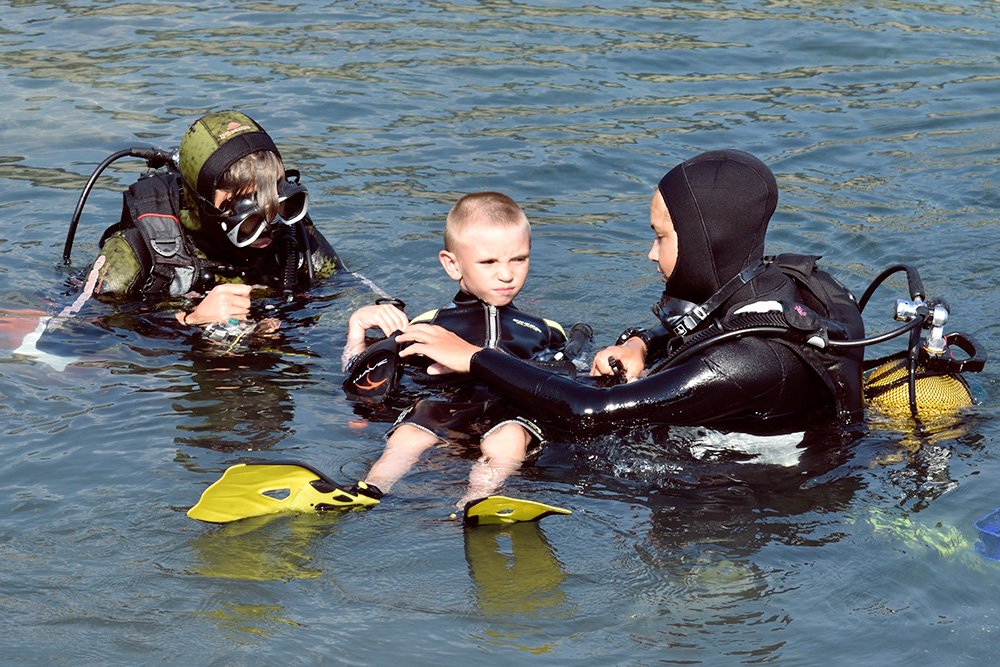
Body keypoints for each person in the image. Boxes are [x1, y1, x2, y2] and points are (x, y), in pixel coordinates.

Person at [395, 150, 867, 437]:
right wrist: (641, 343)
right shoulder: (775, 282)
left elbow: (590, 412)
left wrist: (473, 357)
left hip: (737, 516)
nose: (650, 254)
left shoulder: (751, 362)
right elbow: (711, 324)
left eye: (660, 237)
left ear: (707, 242)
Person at [341, 192, 574, 510]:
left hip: (510, 408)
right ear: (453, 265)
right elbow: (365, 375)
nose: (506, 274)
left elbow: (570, 377)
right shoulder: (429, 323)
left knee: (508, 441)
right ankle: (369, 490)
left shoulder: (546, 328)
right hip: (445, 402)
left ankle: (477, 500)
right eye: (489, 262)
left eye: (519, 259)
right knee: (408, 436)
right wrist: (356, 331)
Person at [87, 109, 344, 327]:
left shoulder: (294, 238)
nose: (269, 224)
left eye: (273, 201)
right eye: (247, 212)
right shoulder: (137, 252)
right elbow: (83, 330)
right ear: (201, 205)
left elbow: (346, 292)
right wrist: (189, 320)